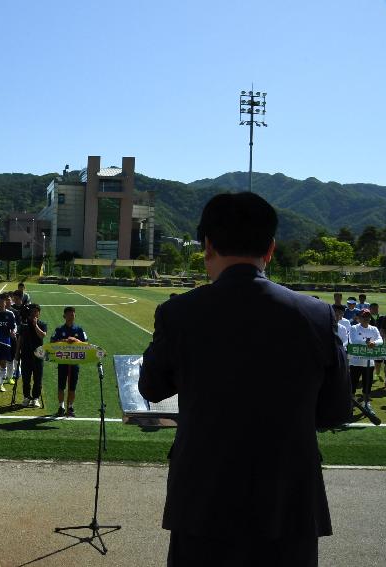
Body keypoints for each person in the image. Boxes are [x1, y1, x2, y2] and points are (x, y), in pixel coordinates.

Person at [138, 192, 350, 566]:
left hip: (204, 496)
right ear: (270, 248)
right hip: (288, 497)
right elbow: (335, 411)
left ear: (207, 246)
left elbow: (151, 388)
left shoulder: (179, 313)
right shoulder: (317, 315)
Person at [50, 306, 87, 417]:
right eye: (69, 314)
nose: (71, 317)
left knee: (72, 387)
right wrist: (64, 341)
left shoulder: (79, 329)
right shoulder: (59, 329)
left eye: (73, 314)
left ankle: (70, 407)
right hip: (62, 362)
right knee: (61, 386)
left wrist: (76, 340)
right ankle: (61, 406)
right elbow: (52, 343)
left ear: (75, 315)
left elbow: (86, 344)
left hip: (74, 362)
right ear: (64, 316)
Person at [349, 309, 383, 414]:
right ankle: (351, 403)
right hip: (355, 361)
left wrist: (374, 343)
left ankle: (366, 403)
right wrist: (369, 343)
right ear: (359, 318)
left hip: (369, 362)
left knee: (367, 384)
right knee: (353, 383)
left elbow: (380, 340)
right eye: (364, 317)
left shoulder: (374, 329)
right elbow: (354, 340)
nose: (366, 319)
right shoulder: (354, 327)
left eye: (368, 317)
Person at [17, 303, 46, 407]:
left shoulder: (42, 324)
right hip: (25, 355)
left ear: (39, 313)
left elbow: (42, 335)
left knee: (38, 378)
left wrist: (36, 325)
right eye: (32, 312)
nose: (34, 314)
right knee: (26, 378)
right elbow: (19, 340)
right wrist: (17, 353)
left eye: (36, 312)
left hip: (38, 355)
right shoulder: (24, 325)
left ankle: (36, 398)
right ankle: (26, 397)